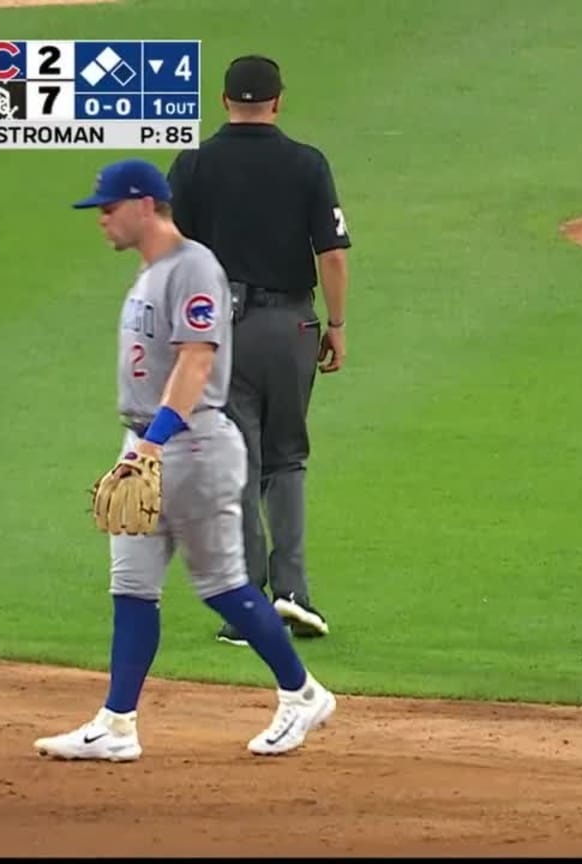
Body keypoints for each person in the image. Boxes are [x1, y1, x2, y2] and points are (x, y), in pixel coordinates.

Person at [34, 158, 336, 762]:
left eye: (109, 208)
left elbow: (197, 361)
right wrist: (140, 446)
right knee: (131, 585)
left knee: (222, 584)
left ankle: (302, 694)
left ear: (145, 205)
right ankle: (117, 724)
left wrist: (152, 444)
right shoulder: (151, 274)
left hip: (191, 443)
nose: (102, 220)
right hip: (148, 443)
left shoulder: (193, 266)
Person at [165, 54, 352, 645]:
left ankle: (246, 606)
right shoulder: (306, 164)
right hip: (292, 326)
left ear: (224, 101)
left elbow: (173, 256)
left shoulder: (194, 164)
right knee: (286, 459)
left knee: (236, 464)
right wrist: (338, 323)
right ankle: (293, 592)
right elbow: (334, 254)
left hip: (218, 331)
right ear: (278, 100)